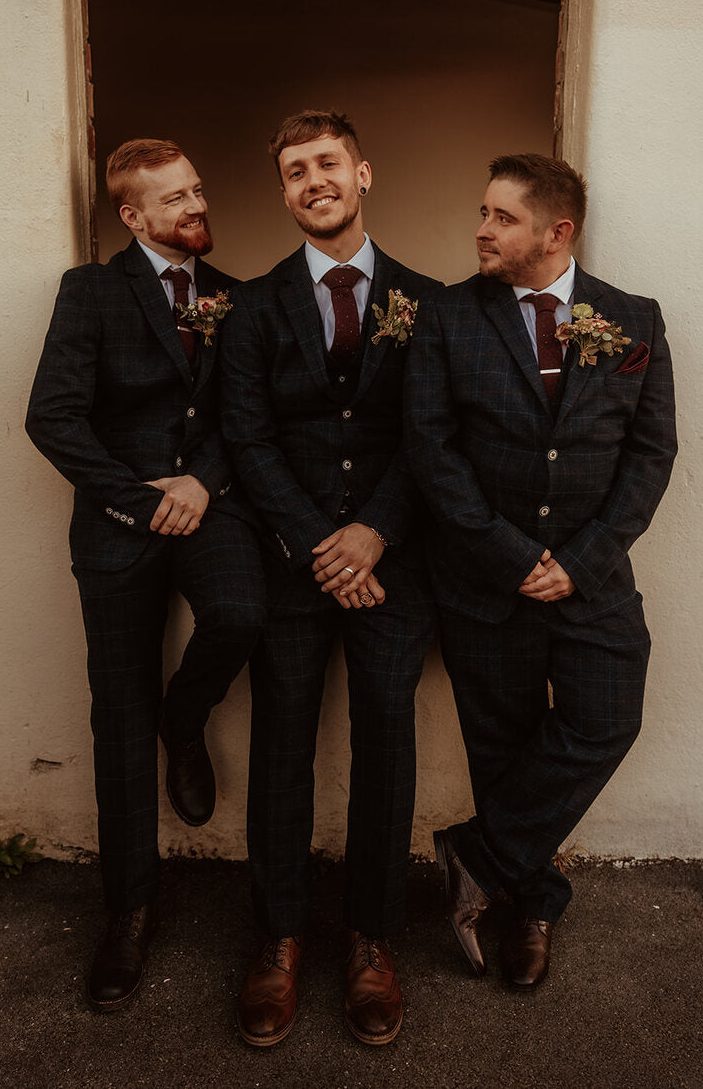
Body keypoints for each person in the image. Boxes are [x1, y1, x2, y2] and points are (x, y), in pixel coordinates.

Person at [404, 153, 676, 988]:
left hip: (592, 583)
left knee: (607, 720)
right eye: (482, 213)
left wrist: (584, 560)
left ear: (557, 232)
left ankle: (478, 854)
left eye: (501, 218)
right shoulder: (448, 316)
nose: (481, 230)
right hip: (488, 583)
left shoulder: (633, 320)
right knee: (503, 747)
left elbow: (650, 453)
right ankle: (532, 906)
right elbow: (431, 448)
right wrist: (515, 557)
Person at [26, 138, 265, 1012]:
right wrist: (138, 499)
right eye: (176, 199)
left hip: (212, 510)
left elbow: (247, 413)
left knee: (242, 615)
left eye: (198, 189)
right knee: (116, 716)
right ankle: (127, 910)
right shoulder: (89, 291)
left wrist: (203, 482)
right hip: (122, 527)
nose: (197, 206)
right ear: (132, 216)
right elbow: (51, 416)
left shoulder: (233, 297)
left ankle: (187, 714)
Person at [220, 110, 439, 1046]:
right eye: (295, 170)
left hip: (393, 566)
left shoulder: (430, 301)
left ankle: (373, 941)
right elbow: (247, 437)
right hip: (294, 566)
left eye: (328, 163)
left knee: (388, 747)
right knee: (282, 749)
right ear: (283, 192)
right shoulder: (253, 307)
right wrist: (323, 542)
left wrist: (374, 535)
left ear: (364, 173)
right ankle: (276, 941)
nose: (314, 180)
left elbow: (433, 434)